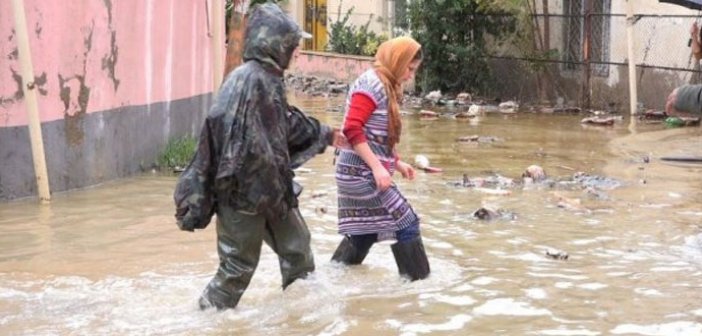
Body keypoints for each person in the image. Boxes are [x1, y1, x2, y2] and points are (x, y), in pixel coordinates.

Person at [173, 3, 347, 310]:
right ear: (277, 45)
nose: (297, 52)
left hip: (270, 193)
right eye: (293, 45)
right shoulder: (253, 79)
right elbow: (226, 135)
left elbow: (284, 124)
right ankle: (202, 323)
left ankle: (298, 319)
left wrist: (326, 134)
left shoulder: (264, 78)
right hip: (242, 196)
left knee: (299, 251)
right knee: (237, 269)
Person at [330, 36, 430, 281]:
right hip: (359, 173)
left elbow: (377, 136)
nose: (409, 75)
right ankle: (418, 287)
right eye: (409, 68)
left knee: (365, 232)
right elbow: (352, 129)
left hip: (358, 171)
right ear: (396, 61)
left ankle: (329, 278)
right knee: (407, 223)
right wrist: (377, 168)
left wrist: (396, 162)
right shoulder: (371, 85)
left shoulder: (385, 84)